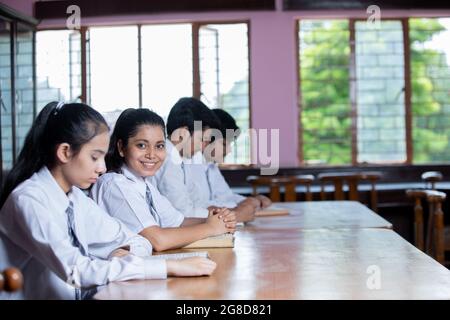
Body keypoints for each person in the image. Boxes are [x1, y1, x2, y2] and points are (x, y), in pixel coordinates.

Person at [0, 102, 216, 300]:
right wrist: (168, 267)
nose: (102, 167)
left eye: (103, 157)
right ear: (65, 152)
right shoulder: (29, 199)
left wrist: (116, 253)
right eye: (95, 157)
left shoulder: (74, 198)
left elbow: (138, 241)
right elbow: (76, 271)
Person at [90, 108, 236, 252]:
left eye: (159, 146)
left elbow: (178, 222)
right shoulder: (114, 184)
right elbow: (158, 240)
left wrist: (218, 219)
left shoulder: (144, 184)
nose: (152, 154)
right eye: (142, 145)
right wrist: (210, 228)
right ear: (121, 147)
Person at [154, 97, 255, 222]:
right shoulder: (168, 160)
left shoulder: (182, 160)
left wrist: (218, 212)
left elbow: (197, 204)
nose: (203, 147)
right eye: (202, 139)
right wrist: (233, 216)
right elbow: (183, 213)